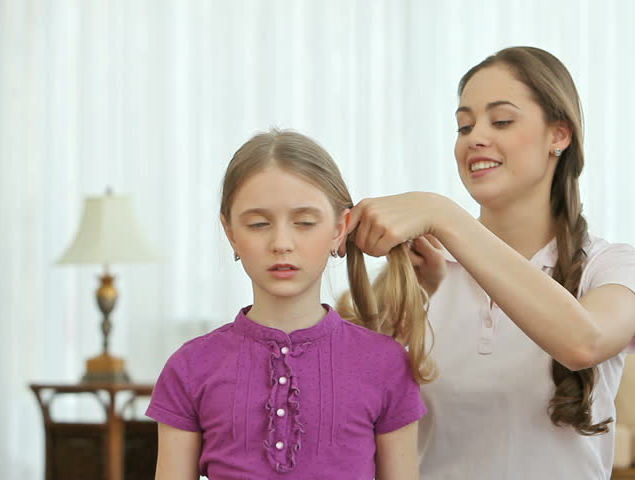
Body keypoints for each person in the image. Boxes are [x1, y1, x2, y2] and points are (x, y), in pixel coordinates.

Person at [341, 46, 635, 479]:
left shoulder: (614, 266)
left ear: (558, 136)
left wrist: (444, 214)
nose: (475, 138)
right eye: (464, 125)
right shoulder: (425, 269)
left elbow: (584, 342)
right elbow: (341, 404)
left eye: (502, 120)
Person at [147, 129, 433, 480]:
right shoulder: (189, 368)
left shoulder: (388, 365)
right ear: (230, 232)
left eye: (304, 223)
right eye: (258, 224)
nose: (281, 243)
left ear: (339, 228)